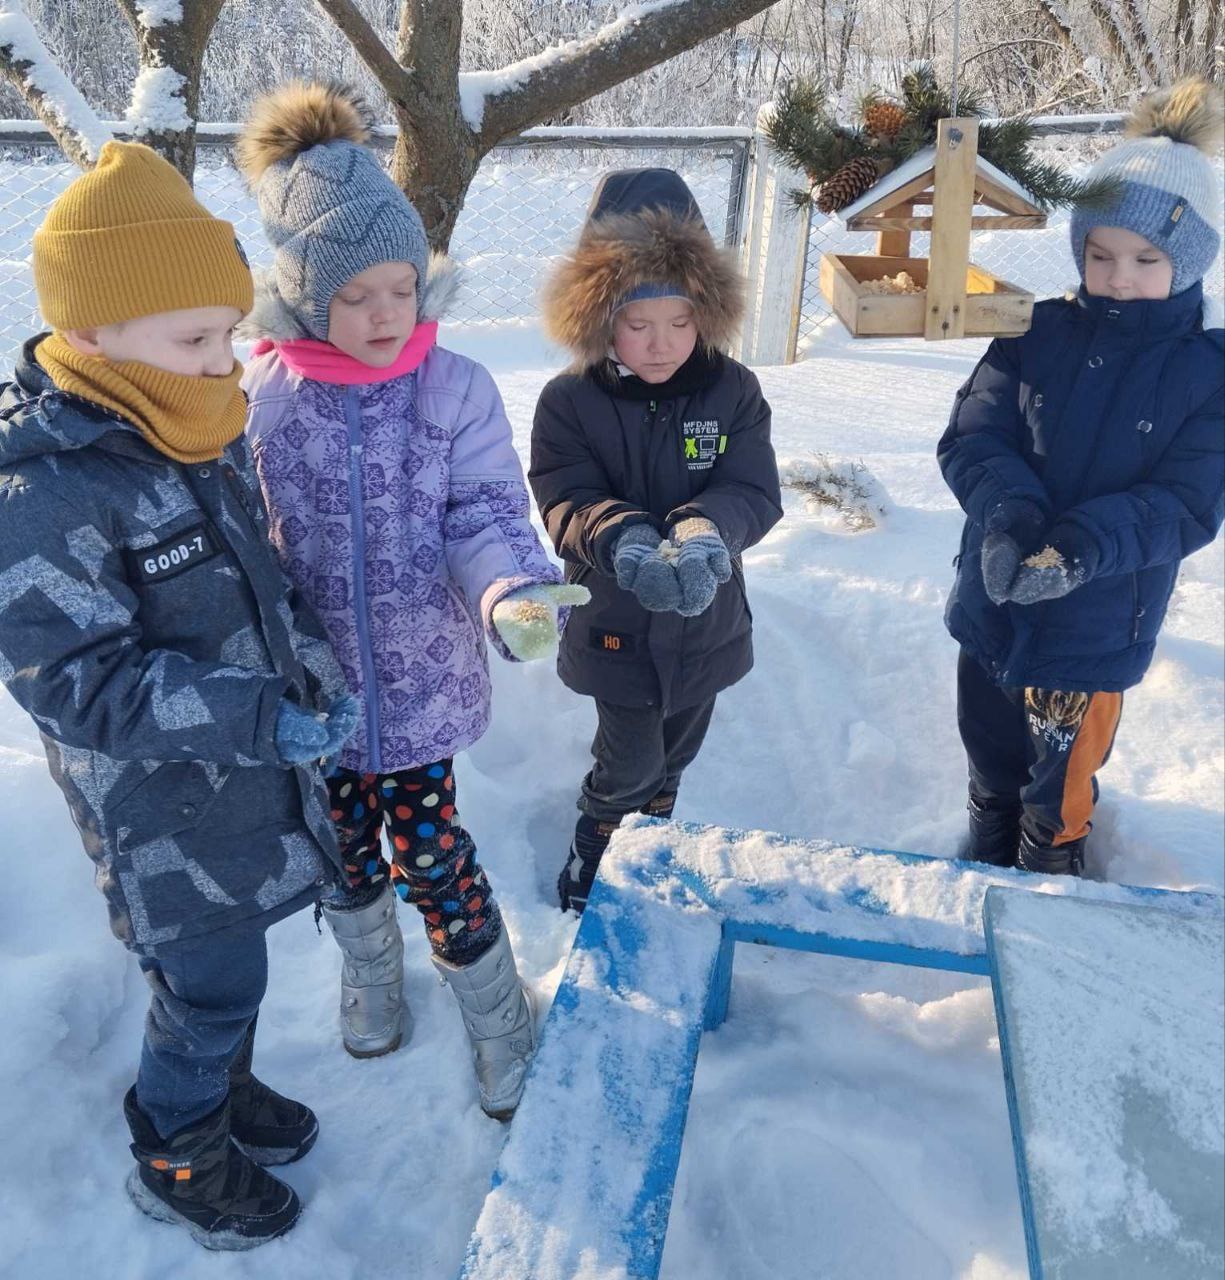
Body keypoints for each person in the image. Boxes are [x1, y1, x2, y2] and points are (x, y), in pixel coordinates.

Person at [0, 141, 360, 1248]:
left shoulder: (189, 423)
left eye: (227, 332)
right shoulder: (42, 487)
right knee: (206, 982)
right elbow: (77, 683)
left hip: (245, 783)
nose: (226, 359)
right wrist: (260, 714)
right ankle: (178, 1147)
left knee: (233, 973)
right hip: (161, 815)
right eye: (197, 336)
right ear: (94, 332)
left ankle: (216, 1089)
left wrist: (312, 663)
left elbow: (260, 574)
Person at [238, 82, 586, 1118]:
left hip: (423, 678)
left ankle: (496, 1018)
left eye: (401, 286)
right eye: (355, 296)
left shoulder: (454, 388)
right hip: (318, 691)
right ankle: (371, 977)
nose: (385, 313)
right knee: (342, 854)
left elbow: (483, 510)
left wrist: (509, 591)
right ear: (305, 299)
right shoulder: (264, 399)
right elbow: (250, 536)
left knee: (432, 852)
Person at [938, 78, 1224, 875]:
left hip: (1096, 623)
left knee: (1056, 779)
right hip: (993, 600)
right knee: (990, 752)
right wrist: (1004, 519)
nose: (1118, 276)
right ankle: (985, 845)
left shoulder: (1207, 372)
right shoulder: (1035, 332)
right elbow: (972, 432)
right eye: (1098, 255)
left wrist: (1078, 549)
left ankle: (1049, 860)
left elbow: (1185, 504)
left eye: (1144, 258)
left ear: (1189, 260)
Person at [530, 168, 783, 912]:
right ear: (598, 317)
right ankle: (596, 858)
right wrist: (625, 538)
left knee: (675, 753)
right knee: (629, 760)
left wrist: (707, 532)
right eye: (637, 324)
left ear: (705, 313)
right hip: (616, 620)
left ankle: (651, 843)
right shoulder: (569, 401)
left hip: (706, 619)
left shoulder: (730, 390)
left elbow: (751, 487)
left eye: (678, 321)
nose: (660, 342)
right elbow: (564, 496)